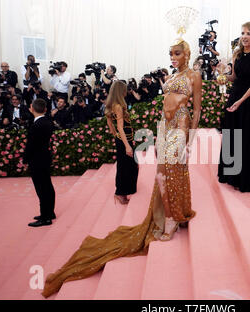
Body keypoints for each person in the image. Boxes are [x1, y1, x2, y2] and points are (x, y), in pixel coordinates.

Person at [41, 38, 201, 298]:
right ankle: (169, 215)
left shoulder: (194, 76)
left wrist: (191, 140)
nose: (172, 57)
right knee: (163, 174)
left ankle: (174, 216)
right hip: (165, 127)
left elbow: (196, 110)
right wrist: (159, 135)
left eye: (177, 53)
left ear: (186, 54)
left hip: (181, 128)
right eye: (170, 53)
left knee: (174, 172)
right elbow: (163, 108)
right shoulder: (171, 78)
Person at [217, 22, 250, 193]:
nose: (244, 36)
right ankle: (231, 175)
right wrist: (222, 76)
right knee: (231, 135)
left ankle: (243, 179)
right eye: (242, 33)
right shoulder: (236, 54)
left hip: (248, 100)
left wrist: (241, 101)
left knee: (244, 138)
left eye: (248, 33)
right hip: (234, 97)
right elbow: (234, 77)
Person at [104, 81, 139, 205]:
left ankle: (122, 191)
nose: (126, 92)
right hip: (125, 141)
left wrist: (117, 137)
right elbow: (120, 127)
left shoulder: (110, 105)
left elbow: (110, 124)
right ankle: (120, 193)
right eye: (124, 90)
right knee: (127, 167)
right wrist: (127, 145)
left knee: (127, 166)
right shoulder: (118, 106)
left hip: (123, 139)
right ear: (120, 91)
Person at [24, 98, 56, 227]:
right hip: (44, 157)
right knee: (47, 185)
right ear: (45, 109)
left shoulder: (36, 125)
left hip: (37, 160)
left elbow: (30, 145)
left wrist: (25, 159)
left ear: (32, 108)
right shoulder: (47, 121)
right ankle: (49, 212)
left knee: (42, 188)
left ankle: (45, 217)